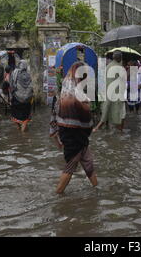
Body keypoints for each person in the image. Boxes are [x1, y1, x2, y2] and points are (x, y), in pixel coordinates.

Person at [50, 61, 98, 194]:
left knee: (89, 164)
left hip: (71, 136)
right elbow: (88, 121)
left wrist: (57, 139)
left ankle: (97, 190)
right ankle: (57, 195)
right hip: (75, 137)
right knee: (70, 167)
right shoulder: (80, 96)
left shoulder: (62, 94)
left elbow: (53, 118)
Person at [94, 50, 126, 131]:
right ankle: (120, 131)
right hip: (117, 95)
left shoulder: (107, 67)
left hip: (107, 93)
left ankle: (102, 128)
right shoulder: (120, 68)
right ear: (120, 58)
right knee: (121, 115)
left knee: (106, 111)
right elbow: (123, 81)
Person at [10, 60, 33, 132]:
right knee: (25, 118)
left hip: (17, 99)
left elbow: (12, 86)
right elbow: (31, 88)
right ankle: (23, 135)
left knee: (16, 116)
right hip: (27, 100)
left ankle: (20, 132)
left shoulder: (15, 73)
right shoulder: (28, 75)